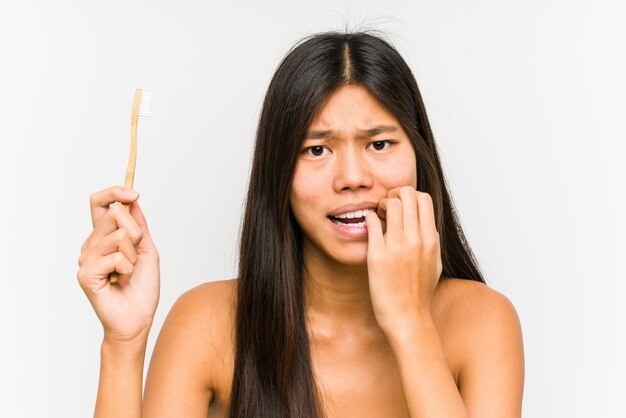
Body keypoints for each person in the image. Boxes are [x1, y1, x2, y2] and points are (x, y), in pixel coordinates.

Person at [77, 31, 524, 418]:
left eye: (380, 143)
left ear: (419, 158)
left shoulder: (482, 322)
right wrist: (123, 342)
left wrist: (410, 323)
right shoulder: (207, 324)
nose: (353, 178)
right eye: (317, 150)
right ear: (278, 173)